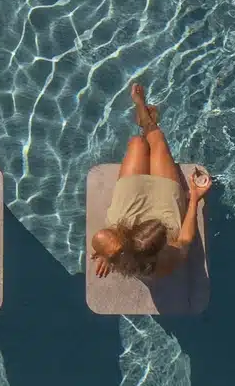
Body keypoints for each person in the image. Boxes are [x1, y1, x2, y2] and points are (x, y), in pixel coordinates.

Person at [88, 81, 211, 281]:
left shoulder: (115, 246)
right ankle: (144, 114)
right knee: (156, 139)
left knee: (138, 143)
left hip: (129, 209)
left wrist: (105, 253)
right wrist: (194, 198)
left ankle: (143, 116)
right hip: (165, 202)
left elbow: (102, 239)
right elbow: (185, 238)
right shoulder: (166, 263)